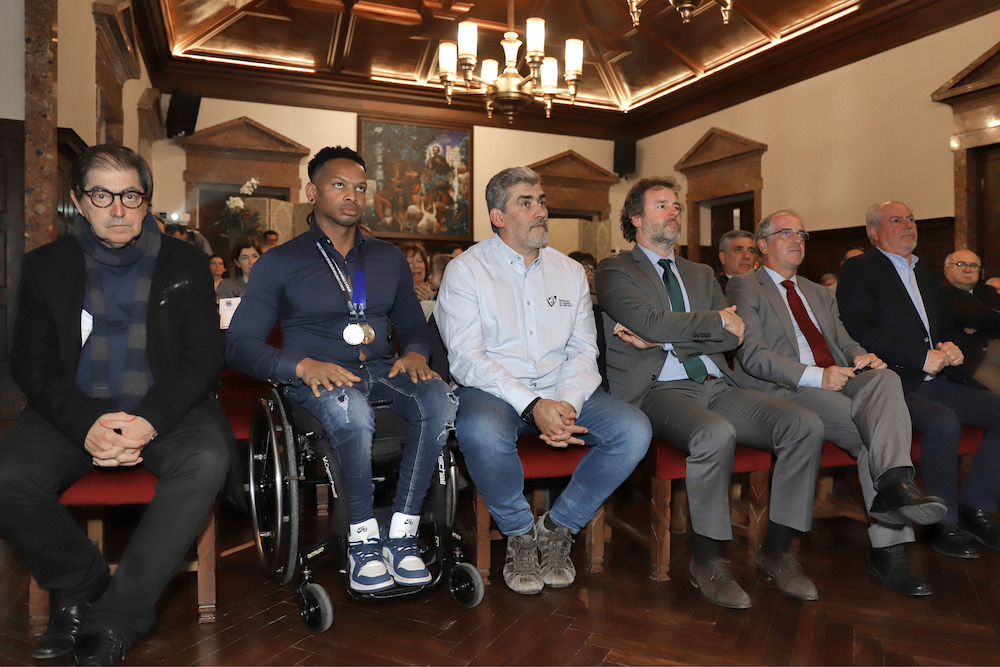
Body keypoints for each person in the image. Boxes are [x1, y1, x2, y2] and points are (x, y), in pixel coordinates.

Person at [0, 145, 229, 665]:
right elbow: (30, 364)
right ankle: (78, 583)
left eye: (131, 195)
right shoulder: (45, 267)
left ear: (146, 201)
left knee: (205, 461)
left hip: (167, 408)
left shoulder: (187, 262)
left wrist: (147, 422)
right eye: (102, 195)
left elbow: (203, 358)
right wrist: (86, 425)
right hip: (74, 408)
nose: (118, 209)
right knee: (6, 475)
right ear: (80, 202)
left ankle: (116, 617)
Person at [225, 146, 457, 593]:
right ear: (312, 191)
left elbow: (414, 325)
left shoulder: (387, 258)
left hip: (385, 371)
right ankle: (362, 538)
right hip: (318, 379)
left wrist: (414, 352)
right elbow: (237, 346)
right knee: (349, 407)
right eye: (339, 185)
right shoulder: (280, 262)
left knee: (440, 398)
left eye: (361, 188)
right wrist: (301, 365)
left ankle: (402, 533)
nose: (352, 196)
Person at [598, 179, 825, 608]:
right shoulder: (616, 270)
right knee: (714, 433)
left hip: (716, 383)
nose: (674, 212)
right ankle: (707, 562)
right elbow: (650, 320)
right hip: (657, 390)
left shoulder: (700, 273)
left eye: (677, 205)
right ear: (636, 219)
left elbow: (732, 336)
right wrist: (698, 326)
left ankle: (776, 552)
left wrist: (666, 336)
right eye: (662, 205)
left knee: (803, 423)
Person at [435, 167, 651, 595]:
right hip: (495, 392)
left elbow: (584, 351)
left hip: (562, 388)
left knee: (633, 430)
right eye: (526, 202)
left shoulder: (569, 271)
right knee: (477, 428)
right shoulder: (467, 271)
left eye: (542, 200)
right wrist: (534, 406)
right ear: (498, 216)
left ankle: (557, 528)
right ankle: (518, 532)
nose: (540, 211)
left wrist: (566, 404)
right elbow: (466, 359)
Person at [727, 209, 947, 596]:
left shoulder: (815, 290)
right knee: (871, 439)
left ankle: (896, 483)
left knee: (884, 377)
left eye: (801, 233)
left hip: (837, 378)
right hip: (786, 387)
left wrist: (863, 356)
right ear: (763, 245)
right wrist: (816, 376)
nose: (797, 239)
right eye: (785, 233)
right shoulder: (746, 287)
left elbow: (843, 341)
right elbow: (753, 356)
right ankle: (890, 552)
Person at [838, 201, 1000, 559]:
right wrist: (918, 357)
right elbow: (857, 328)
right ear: (874, 232)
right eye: (896, 220)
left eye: (911, 219)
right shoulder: (860, 268)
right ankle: (943, 523)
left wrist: (950, 346)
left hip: (937, 376)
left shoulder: (924, 275)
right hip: (892, 381)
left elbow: (939, 328)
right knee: (943, 422)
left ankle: (977, 507)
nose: (908, 225)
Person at [940, 249, 1000, 392]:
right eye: (961, 264)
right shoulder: (941, 292)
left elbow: (986, 320)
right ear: (946, 268)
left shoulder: (986, 290)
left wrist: (981, 323)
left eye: (973, 266)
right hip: (972, 359)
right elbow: (979, 318)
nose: (968, 270)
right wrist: (984, 320)